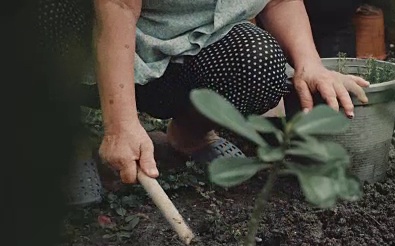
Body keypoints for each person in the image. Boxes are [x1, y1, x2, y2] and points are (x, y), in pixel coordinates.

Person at [39, 0, 370, 185]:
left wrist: (309, 63)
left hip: (184, 57)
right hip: (91, 48)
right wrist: (120, 123)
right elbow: (118, 7)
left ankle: (189, 135)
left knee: (261, 64)